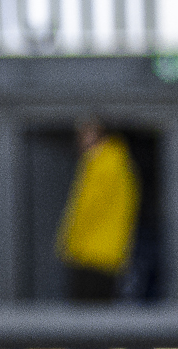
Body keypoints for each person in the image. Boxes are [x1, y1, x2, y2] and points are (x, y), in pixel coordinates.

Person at [57, 118, 137, 303]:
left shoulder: (104, 163)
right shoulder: (117, 160)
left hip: (94, 251)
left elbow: (86, 209)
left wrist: (69, 243)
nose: (79, 140)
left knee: (88, 308)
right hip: (106, 250)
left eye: (84, 134)